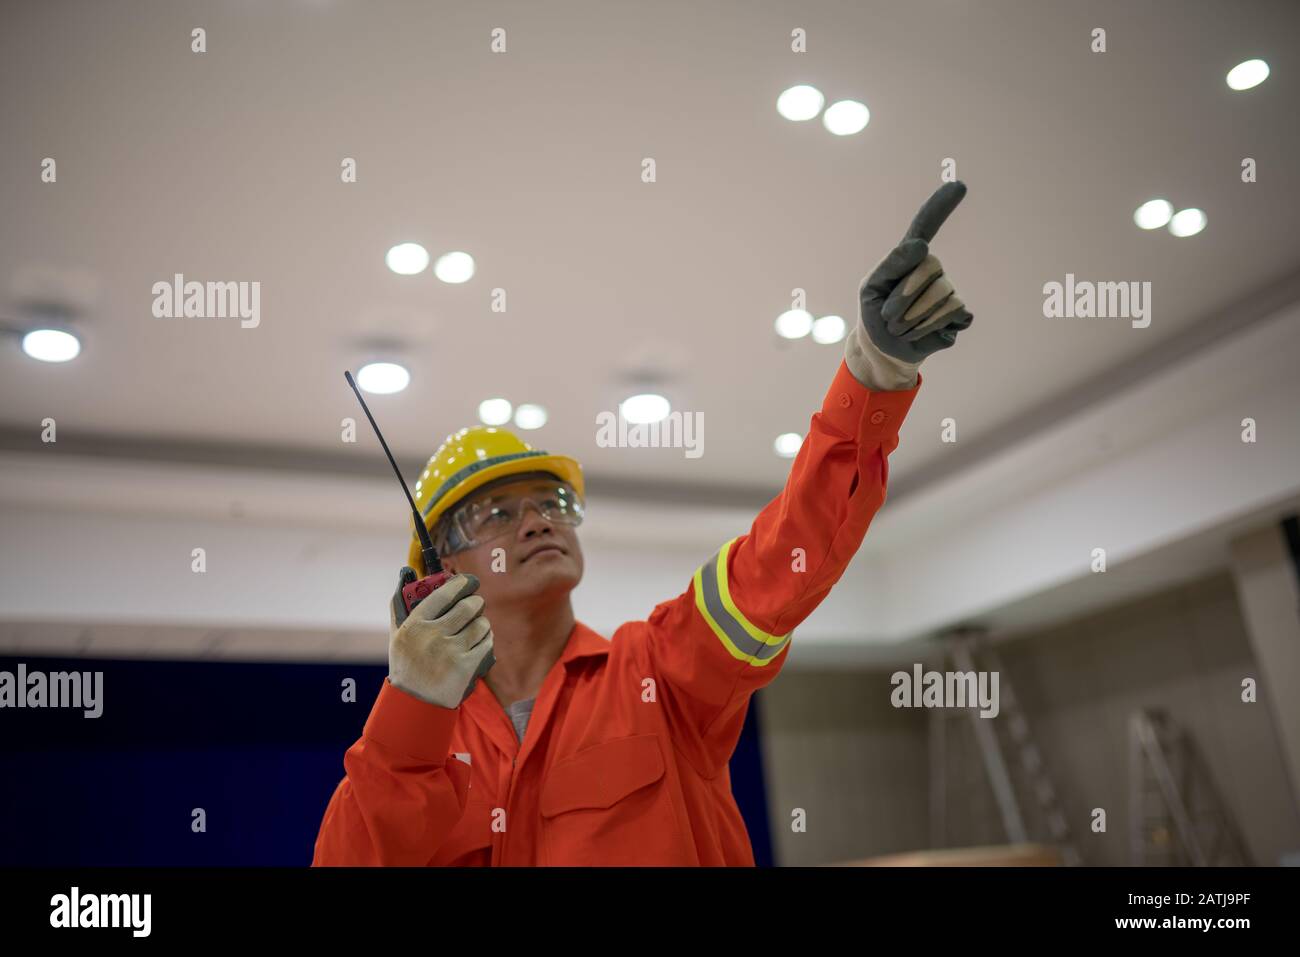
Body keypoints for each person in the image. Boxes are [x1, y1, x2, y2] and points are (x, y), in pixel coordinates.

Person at [312, 182, 974, 865]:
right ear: (437, 572)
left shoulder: (665, 671)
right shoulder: (418, 749)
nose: (538, 521)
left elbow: (785, 557)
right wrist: (412, 702)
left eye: (551, 503)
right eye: (497, 513)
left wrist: (877, 369)